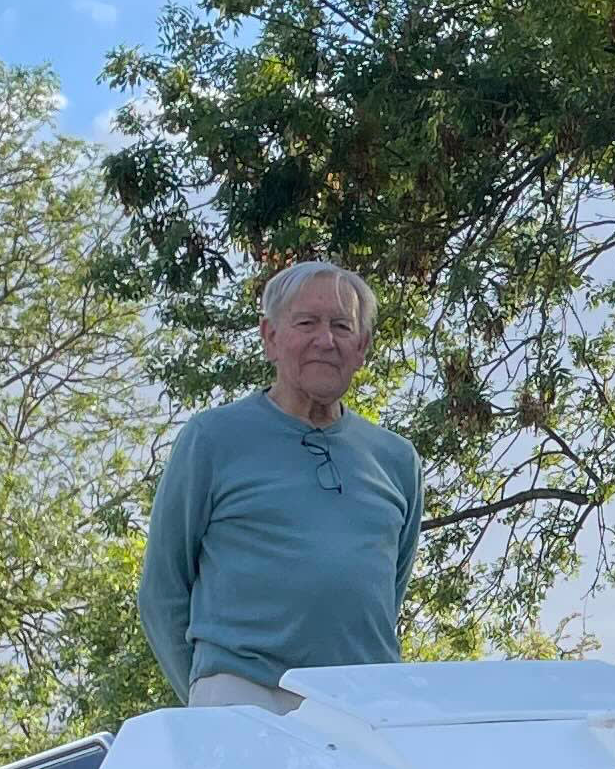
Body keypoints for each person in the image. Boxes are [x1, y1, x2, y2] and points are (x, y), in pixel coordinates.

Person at [138, 258, 426, 713]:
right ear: (270, 337)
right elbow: (162, 591)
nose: (325, 340)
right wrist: (206, 693)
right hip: (243, 695)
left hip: (364, 703)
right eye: (306, 323)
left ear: (362, 346)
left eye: (342, 326)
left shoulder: (397, 460)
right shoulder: (212, 439)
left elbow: (389, 593)